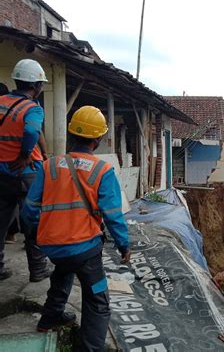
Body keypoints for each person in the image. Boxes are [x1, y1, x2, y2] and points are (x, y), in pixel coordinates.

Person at [22, 105, 130, 351]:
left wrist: (38, 235)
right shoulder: (102, 170)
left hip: (53, 246)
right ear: (98, 139)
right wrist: (124, 245)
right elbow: (113, 216)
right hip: (85, 250)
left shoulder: (48, 166)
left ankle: (50, 318)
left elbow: (28, 210)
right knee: (97, 300)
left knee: (63, 272)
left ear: (71, 134)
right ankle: (90, 348)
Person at [0, 60, 50, 281]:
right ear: (36, 85)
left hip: (2, 172)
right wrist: (24, 155)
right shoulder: (33, 108)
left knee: (1, 220)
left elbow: (36, 133)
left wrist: (46, 153)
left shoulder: (1, 102)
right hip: (25, 171)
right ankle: (38, 269)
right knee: (32, 219)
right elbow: (31, 131)